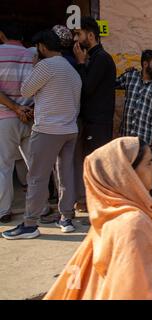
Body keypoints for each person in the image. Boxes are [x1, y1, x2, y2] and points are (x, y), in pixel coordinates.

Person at [43, 137, 152, 299]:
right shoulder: (133, 224)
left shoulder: (111, 215)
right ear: (127, 173)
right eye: (149, 163)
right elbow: (143, 294)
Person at [2, 30, 82, 239]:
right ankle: (66, 218)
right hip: (69, 129)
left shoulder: (45, 65)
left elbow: (26, 90)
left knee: (37, 177)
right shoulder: (72, 69)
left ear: (43, 48)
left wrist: (36, 65)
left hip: (48, 130)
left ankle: (29, 224)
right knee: (65, 175)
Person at [73, 17, 117, 212]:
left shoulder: (101, 58)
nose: (76, 38)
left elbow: (87, 88)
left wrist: (81, 63)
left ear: (90, 35)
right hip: (94, 122)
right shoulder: (96, 57)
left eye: (78, 34)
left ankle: (100, 207)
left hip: (98, 123)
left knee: (97, 167)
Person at [0, 22, 34, 224]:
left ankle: (3, 210)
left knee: (4, 166)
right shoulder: (32, 55)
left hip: (5, 118)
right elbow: (39, 87)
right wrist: (26, 109)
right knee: (35, 167)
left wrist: (14, 108)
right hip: (29, 117)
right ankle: (39, 208)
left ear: (2, 35)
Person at [116, 50, 152, 150]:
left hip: (144, 144)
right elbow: (110, 84)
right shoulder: (130, 77)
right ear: (145, 64)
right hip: (124, 141)